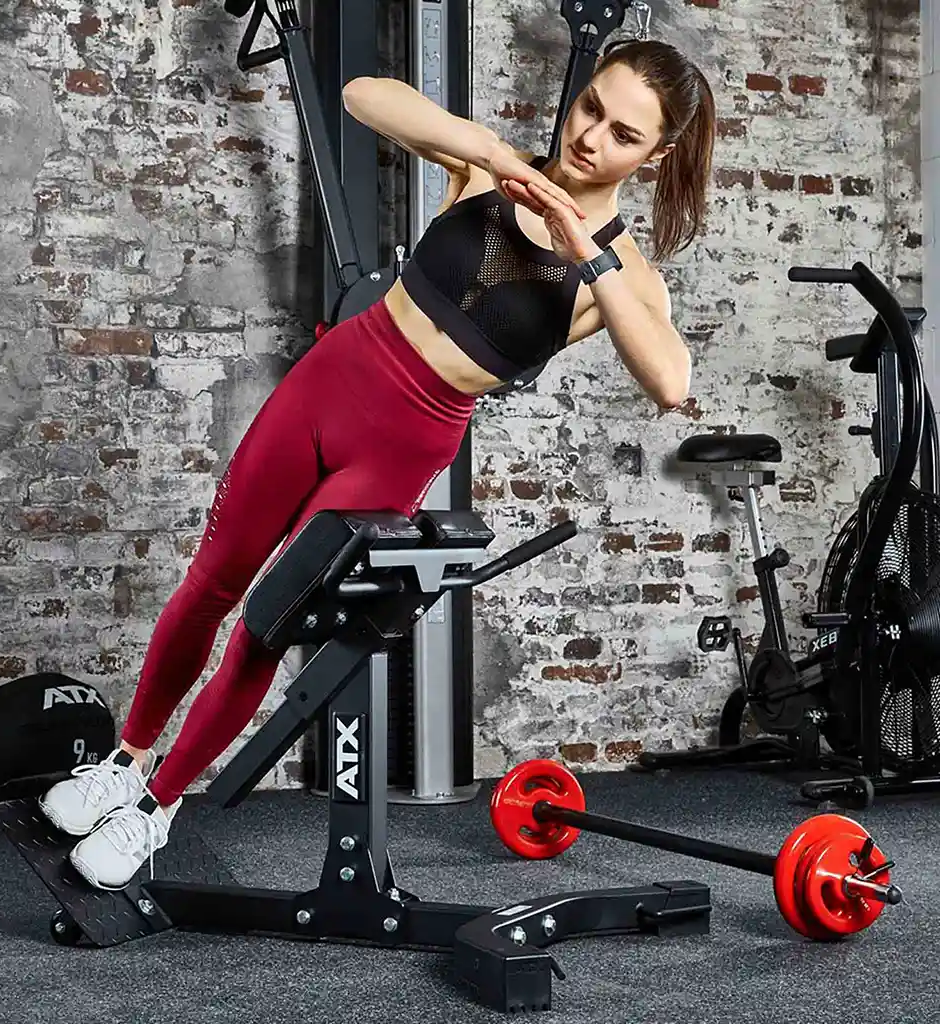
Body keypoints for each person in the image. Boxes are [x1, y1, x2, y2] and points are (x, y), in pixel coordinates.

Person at [38, 37, 716, 891]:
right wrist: (493, 153)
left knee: (264, 625)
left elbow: (669, 379)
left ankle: (156, 810)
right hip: (334, 381)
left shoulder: (619, 277)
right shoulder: (489, 171)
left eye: (623, 135)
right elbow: (362, 92)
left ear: (652, 159)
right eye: (590, 108)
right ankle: (126, 765)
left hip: (407, 439)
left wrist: (589, 249)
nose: (591, 138)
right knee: (211, 580)